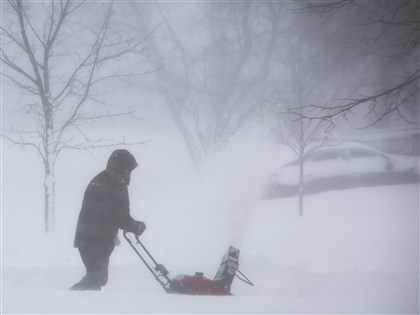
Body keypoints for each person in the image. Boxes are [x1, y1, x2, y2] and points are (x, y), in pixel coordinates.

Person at [70, 149, 146, 290]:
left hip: (84, 237)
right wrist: (136, 227)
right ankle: (69, 301)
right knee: (96, 280)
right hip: (99, 239)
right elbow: (121, 216)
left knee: (94, 277)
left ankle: (76, 303)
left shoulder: (98, 178)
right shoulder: (118, 183)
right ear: (125, 167)